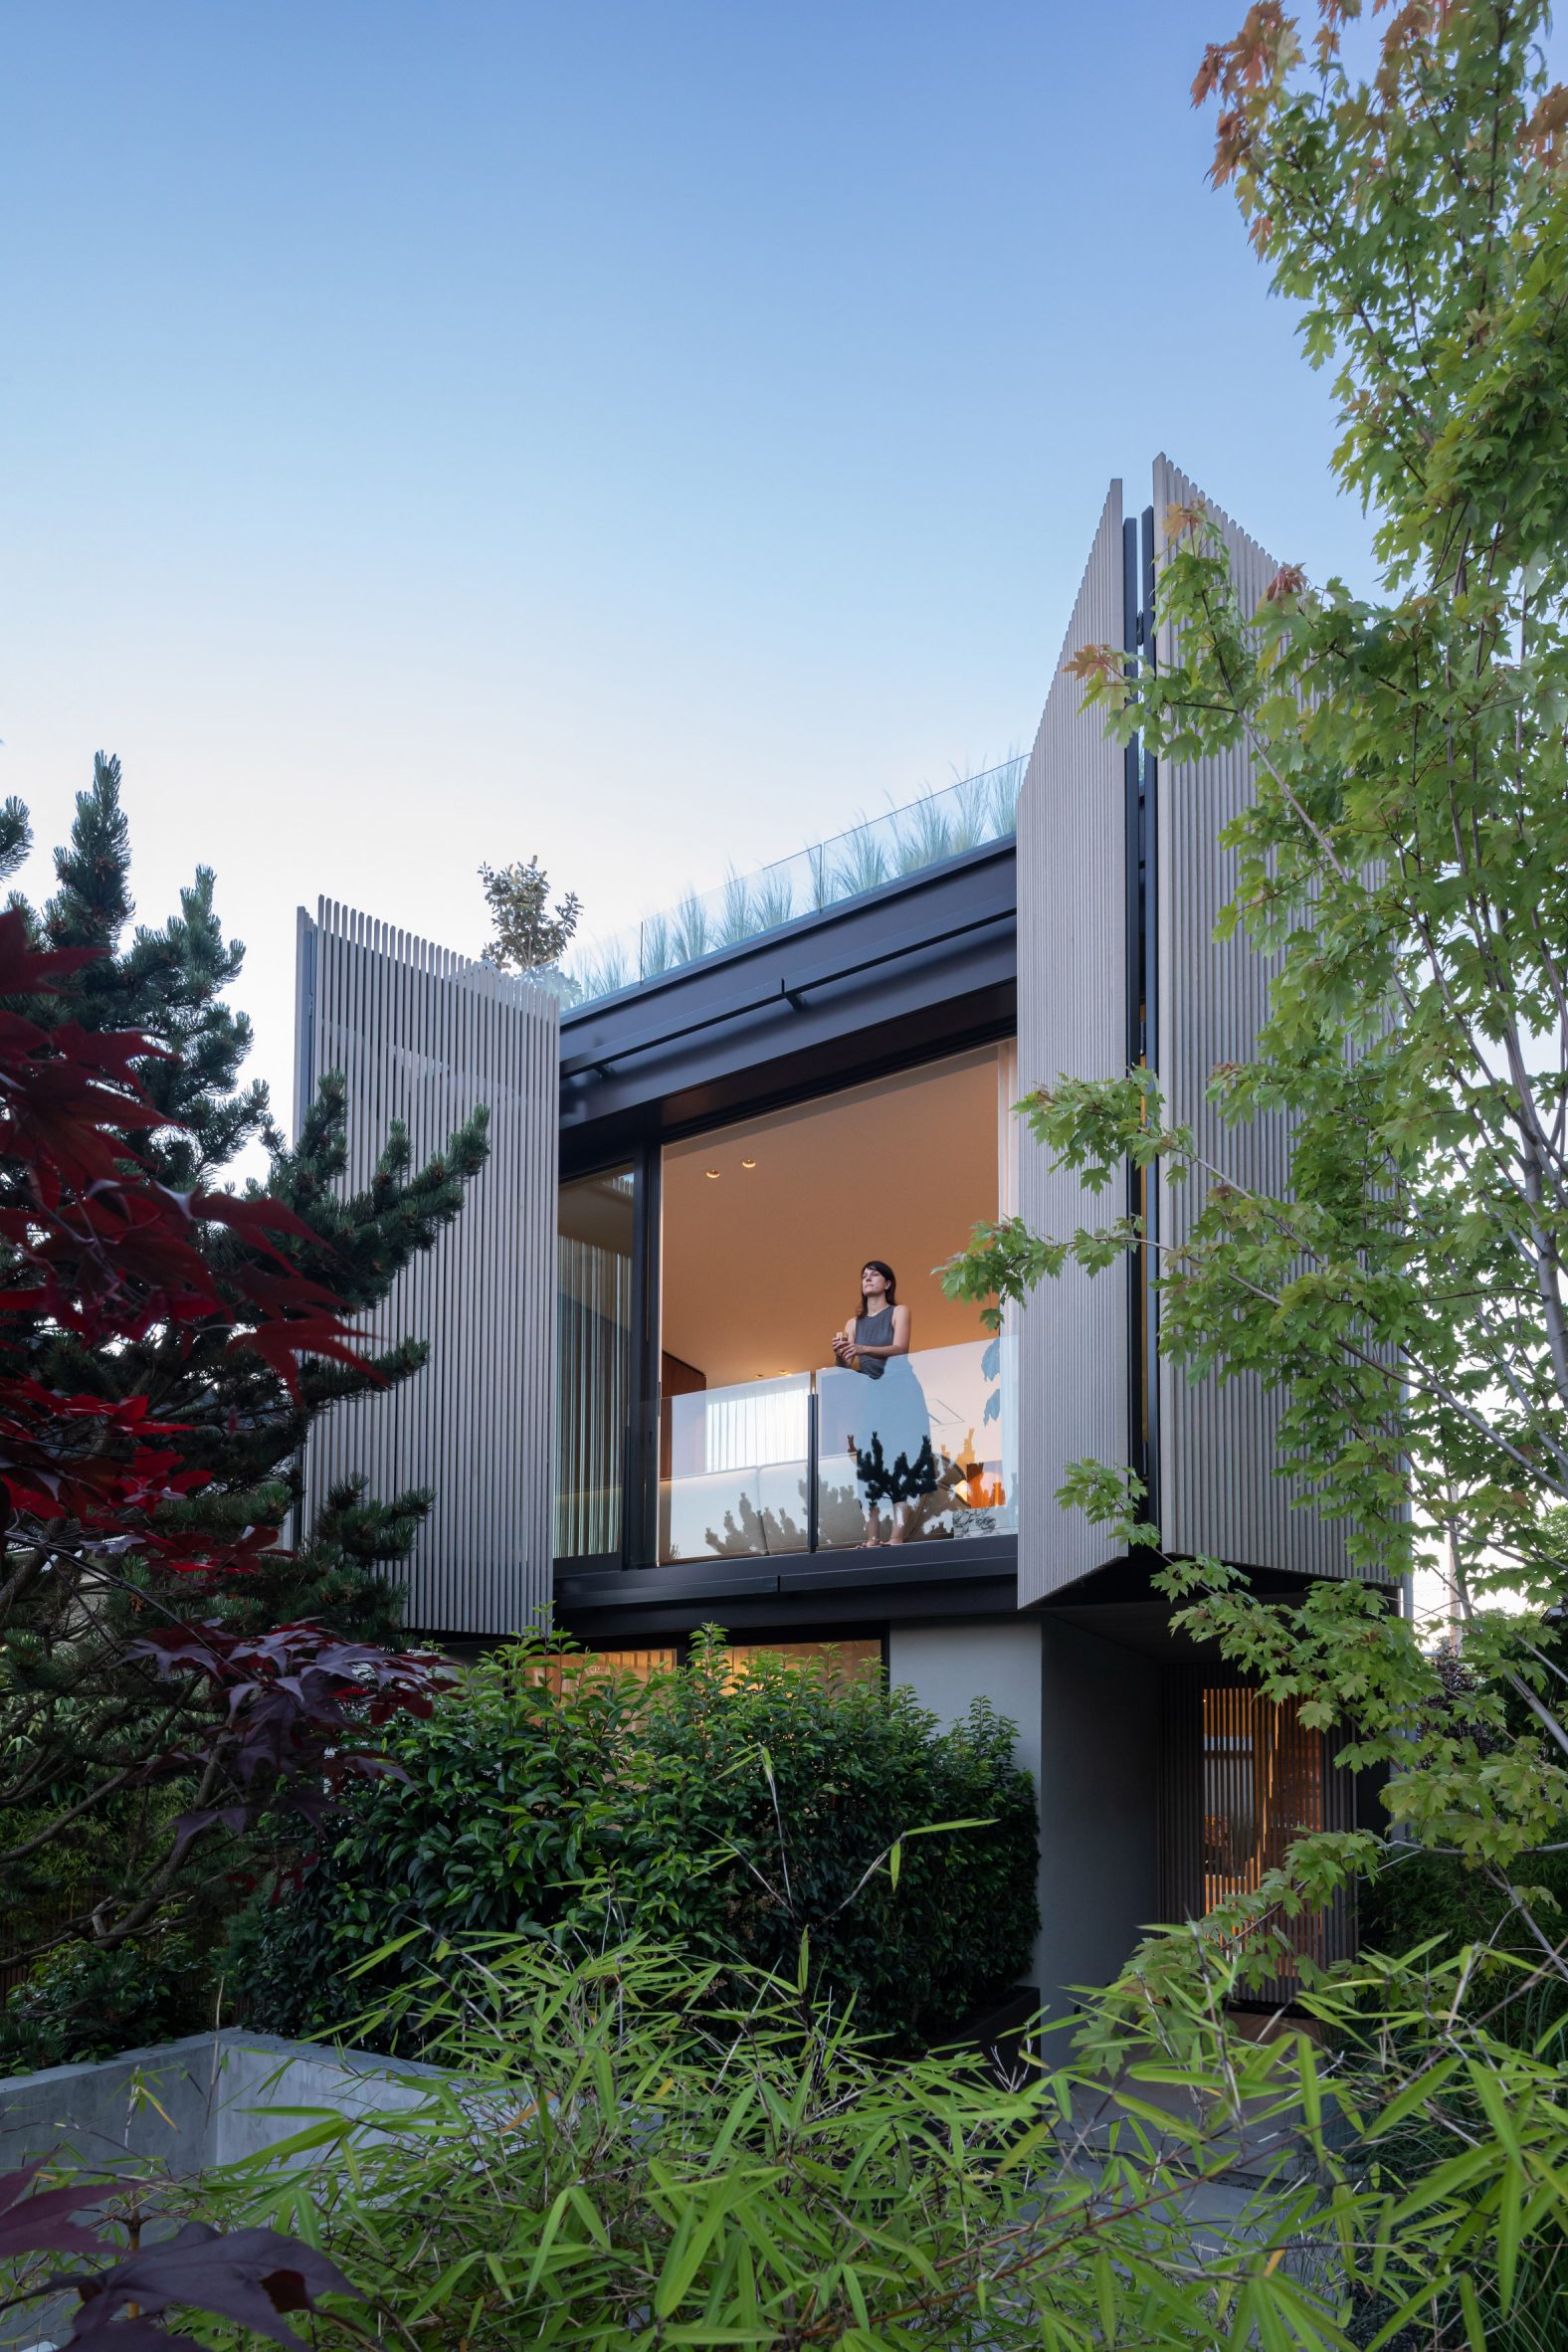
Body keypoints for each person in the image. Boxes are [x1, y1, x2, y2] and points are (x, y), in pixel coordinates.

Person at [830, 1261, 937, 1545]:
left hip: (901, 1392)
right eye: (863, 1275)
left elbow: (901, 1348)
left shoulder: (899, 1312)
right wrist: (841, 1352)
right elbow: (844, 1367)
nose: (867, 1278)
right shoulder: (853, 1324)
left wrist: (862, 1348)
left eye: (874, 1274)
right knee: (869, 1462)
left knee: (900, 1459)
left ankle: (897, 1536)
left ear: (887, 1283)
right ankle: (872, 1538)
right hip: (872, 1395)